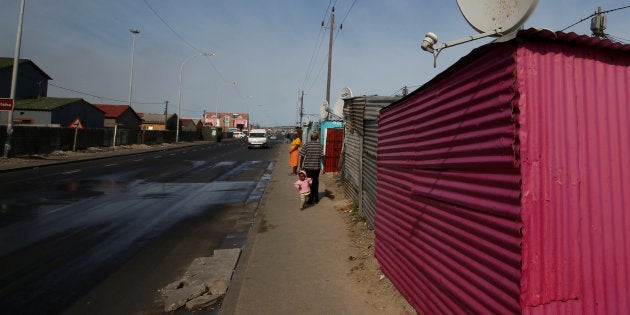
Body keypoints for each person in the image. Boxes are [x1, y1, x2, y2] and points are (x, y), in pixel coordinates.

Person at [298, 132, 324, 204]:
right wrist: (324, 167)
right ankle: (316, 198)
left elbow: (302, 156)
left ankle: (310, 199)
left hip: (308, 168)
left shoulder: (306, 145)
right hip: (316, 168)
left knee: (309, 183)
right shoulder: (320, 146)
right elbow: (322, 157)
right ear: (317, 138)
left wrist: (300, 166)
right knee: (315, 182)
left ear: (311, 137)